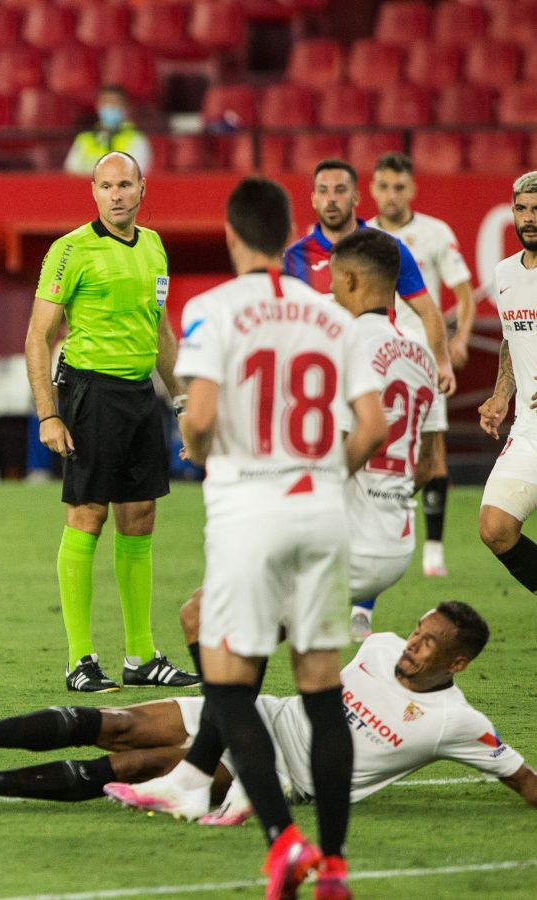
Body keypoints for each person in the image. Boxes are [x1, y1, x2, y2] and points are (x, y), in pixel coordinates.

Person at [166, 177, 387, 897]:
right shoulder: (332, 317)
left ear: (233, 235)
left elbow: (199, 416)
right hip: (321, 514)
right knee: (322, 695)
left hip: (248, 512)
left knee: (229, 683)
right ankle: (338, 862)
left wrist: (197, 450)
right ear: (289, 232)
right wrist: (326, 477)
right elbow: (375, 427)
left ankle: (281, 842)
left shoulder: (213, 309)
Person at [0, 602, 537, 817]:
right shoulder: (376, 647)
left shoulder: (459, 724)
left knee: (139, 763)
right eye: (418, 632)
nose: (414, 646)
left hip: (279, 776)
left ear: (457, 664)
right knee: (121, 723)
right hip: (259, 715)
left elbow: (521, 779)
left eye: (431, 644)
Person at [26, 150, 197, 693]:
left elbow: (161, 331)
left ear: (143, 189)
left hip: (139, 395)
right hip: (88, 394)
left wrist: (182, 402)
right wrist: (48, 414)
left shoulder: (154, 246)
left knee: (140, 516)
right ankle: (79, 660)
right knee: (87, 516)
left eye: (126, 184)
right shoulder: (70, 249)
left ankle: (141, 657)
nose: (117, 194)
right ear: (93, 192)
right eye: (106, 186)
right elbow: (38, 337)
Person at [331, 229, 443, 639]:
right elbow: (427, 465)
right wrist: (387, 493)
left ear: (351, 281)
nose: (330, 289)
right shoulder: (422, 351)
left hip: (345, 547)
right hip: (397, 546)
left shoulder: (343, 343)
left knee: (213, 610)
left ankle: (227, 704)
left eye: (333, 278)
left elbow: (343, 446)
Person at [369, 152, 476, 579]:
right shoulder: (364, 236)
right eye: (384, 186)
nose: (391, 195)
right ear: (372, 189)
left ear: (412, 189)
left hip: (423, 356)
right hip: (376, 353)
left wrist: (460, 338)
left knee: (433, 452)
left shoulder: (435, 233)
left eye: (399, 187)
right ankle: (381, 529)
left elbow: (464, 295)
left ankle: (432, 548)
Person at [285, 159, 456, 402]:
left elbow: (428, 311)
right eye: (323, 191)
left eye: (340, 190)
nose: (331, 199)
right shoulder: (293, 258)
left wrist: (442, 362)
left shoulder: (388, 249)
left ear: (356, 197)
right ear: (313, 199)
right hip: (319, 375)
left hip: (377, 373)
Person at [478, 171, 537, 596]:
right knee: (495, 527)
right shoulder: (504, 274)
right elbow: (511, 340)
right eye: (522, 209)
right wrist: (501, 396)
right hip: (529, 429)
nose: (529, 218)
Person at [63, 85, 153, 176]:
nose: (110, 107)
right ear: (97, 106)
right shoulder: (84, 138)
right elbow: (71, 171)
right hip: (85, 189)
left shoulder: (136, 139)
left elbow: (136, 174)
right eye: (106, 102)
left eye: (115, 103)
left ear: (125, 108)